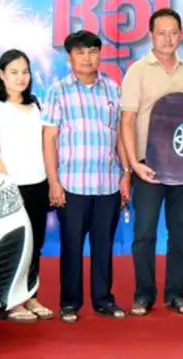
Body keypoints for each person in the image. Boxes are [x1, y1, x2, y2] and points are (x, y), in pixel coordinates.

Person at [41, 30, 131, 324]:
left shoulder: (112, 89)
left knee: (103, 247)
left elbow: (119, 136)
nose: (87, 57)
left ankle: (103, 300)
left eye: (92, 51)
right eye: (80, 52)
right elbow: (49, 138)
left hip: (107, 184)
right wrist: (53, 182)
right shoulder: (58, 91)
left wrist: (125, 174)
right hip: (72, 185)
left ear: (99, 54)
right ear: (69, 58)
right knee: (72, 247)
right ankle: (70, 303)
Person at [120, 8, 183, 317]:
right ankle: (143, 294)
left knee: (179, 232)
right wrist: (133, 165)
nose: (168, 38)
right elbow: (127, 121)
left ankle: (175, 294)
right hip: (148, 166)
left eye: (173, 32)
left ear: (181, 35)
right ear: (151, 36)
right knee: (144, 233)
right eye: (161, 33)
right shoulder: (137, 71)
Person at [0, 49, 53, 323]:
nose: (20, 77)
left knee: (36, 245)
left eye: (25, 71)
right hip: (14, 188)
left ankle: (31, 296)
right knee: (17, 246)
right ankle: (13, 302)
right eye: (13, 72)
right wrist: (9, 184)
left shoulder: (36, 105)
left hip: (39, 184)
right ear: (1, 75)